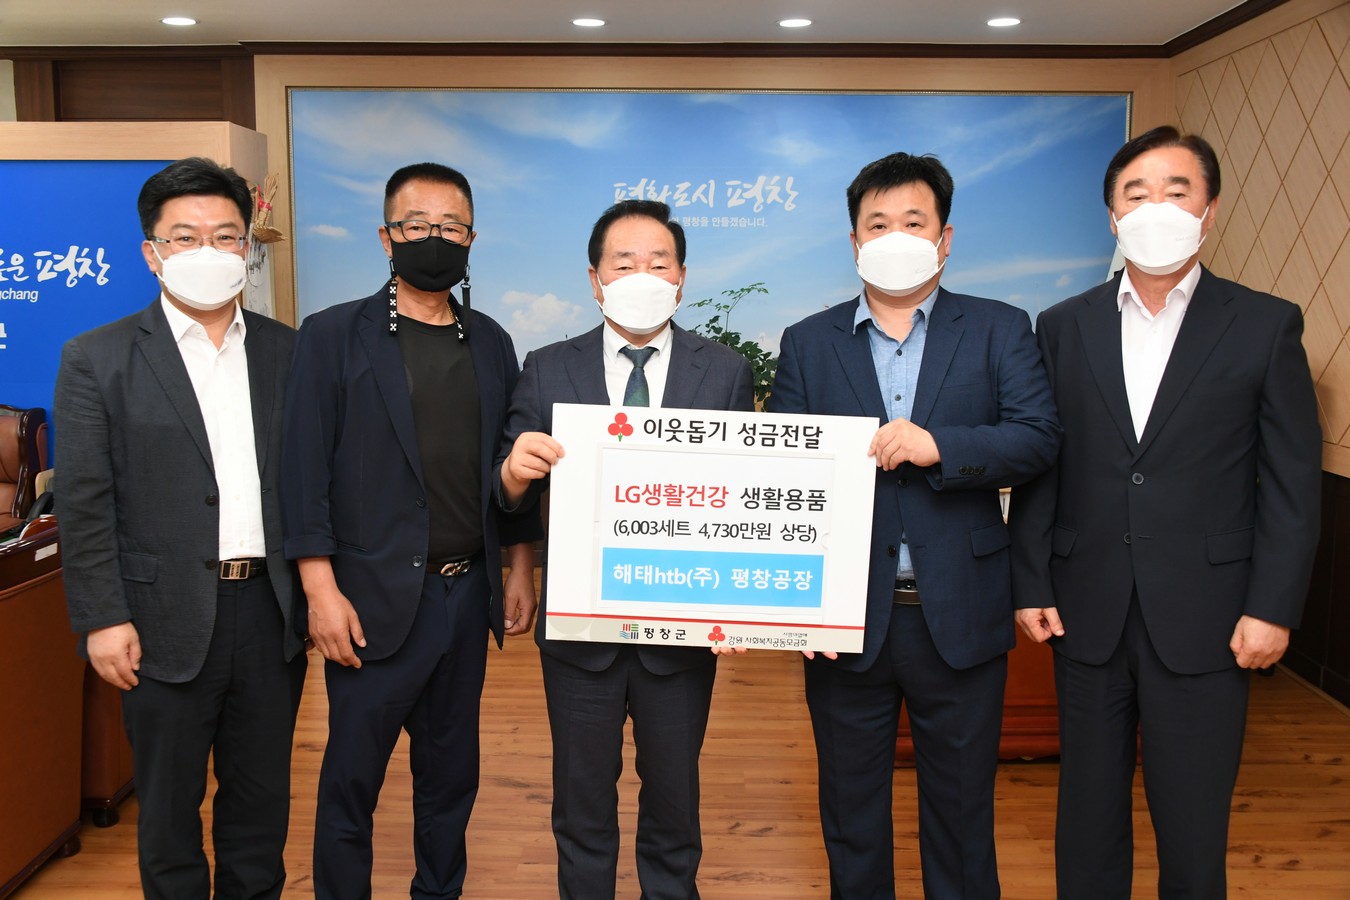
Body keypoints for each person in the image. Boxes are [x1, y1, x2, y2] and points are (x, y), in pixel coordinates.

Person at [1009, 126, 1322, 899]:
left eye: (1177, 192)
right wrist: (1030, 579)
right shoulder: (1063, 325)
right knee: (1086, 817)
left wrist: (1273, 608)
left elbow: (1291, 482)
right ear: (1112, 216)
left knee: (1193, 822)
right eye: (1136, 193)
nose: (1156, 208)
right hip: (1086, 606)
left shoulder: (1265, 323)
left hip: (1211, 614)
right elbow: (1047, 463)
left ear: (1209, 211)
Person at [767, 152, 1060, 898]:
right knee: (851, 815)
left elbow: (1037, 438)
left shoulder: (999, 328)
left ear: (945, 238)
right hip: (844, 621)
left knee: (961, 817)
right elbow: (785, 470)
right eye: (878, 224)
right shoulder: (808, 341)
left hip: (961, 611)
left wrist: (941, 447)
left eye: (913, 222)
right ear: (854, 240)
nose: (895, 237)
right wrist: (790, 607)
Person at [281, 162, 541, 899]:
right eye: (417, 225)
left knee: (451, 778)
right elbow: (302, 473)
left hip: (466, 597)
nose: (435, 238)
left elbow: (511, 464)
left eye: (451, 227)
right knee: (351, 781)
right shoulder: (332, 335)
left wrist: (521, 567)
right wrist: (320, 591)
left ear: (472, 238)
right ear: (386, 236)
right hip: (368, 600)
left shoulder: (491, 341)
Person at [55, 156, 307, 899]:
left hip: (269, 613)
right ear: (152, 252)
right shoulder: (98, 358)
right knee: (167, 812)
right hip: (158, 619)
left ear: (247, 249)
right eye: (186, 237)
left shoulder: (289, 351)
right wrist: (102, 618)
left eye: (225, 236)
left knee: (260, 804)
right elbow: (85, 503)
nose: (209, 251)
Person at [496, 199, 753, 899]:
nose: (643, 275)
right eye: (625, 262)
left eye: (659, 263)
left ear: (682, 278)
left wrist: (740, 604)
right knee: (582, 809)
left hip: (682, 632)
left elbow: (741, 497)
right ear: (595, 279)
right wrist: (515, 471)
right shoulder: (547, 368)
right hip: (580, 635)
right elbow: (506, 492)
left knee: (674, 808)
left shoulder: (723, 372)